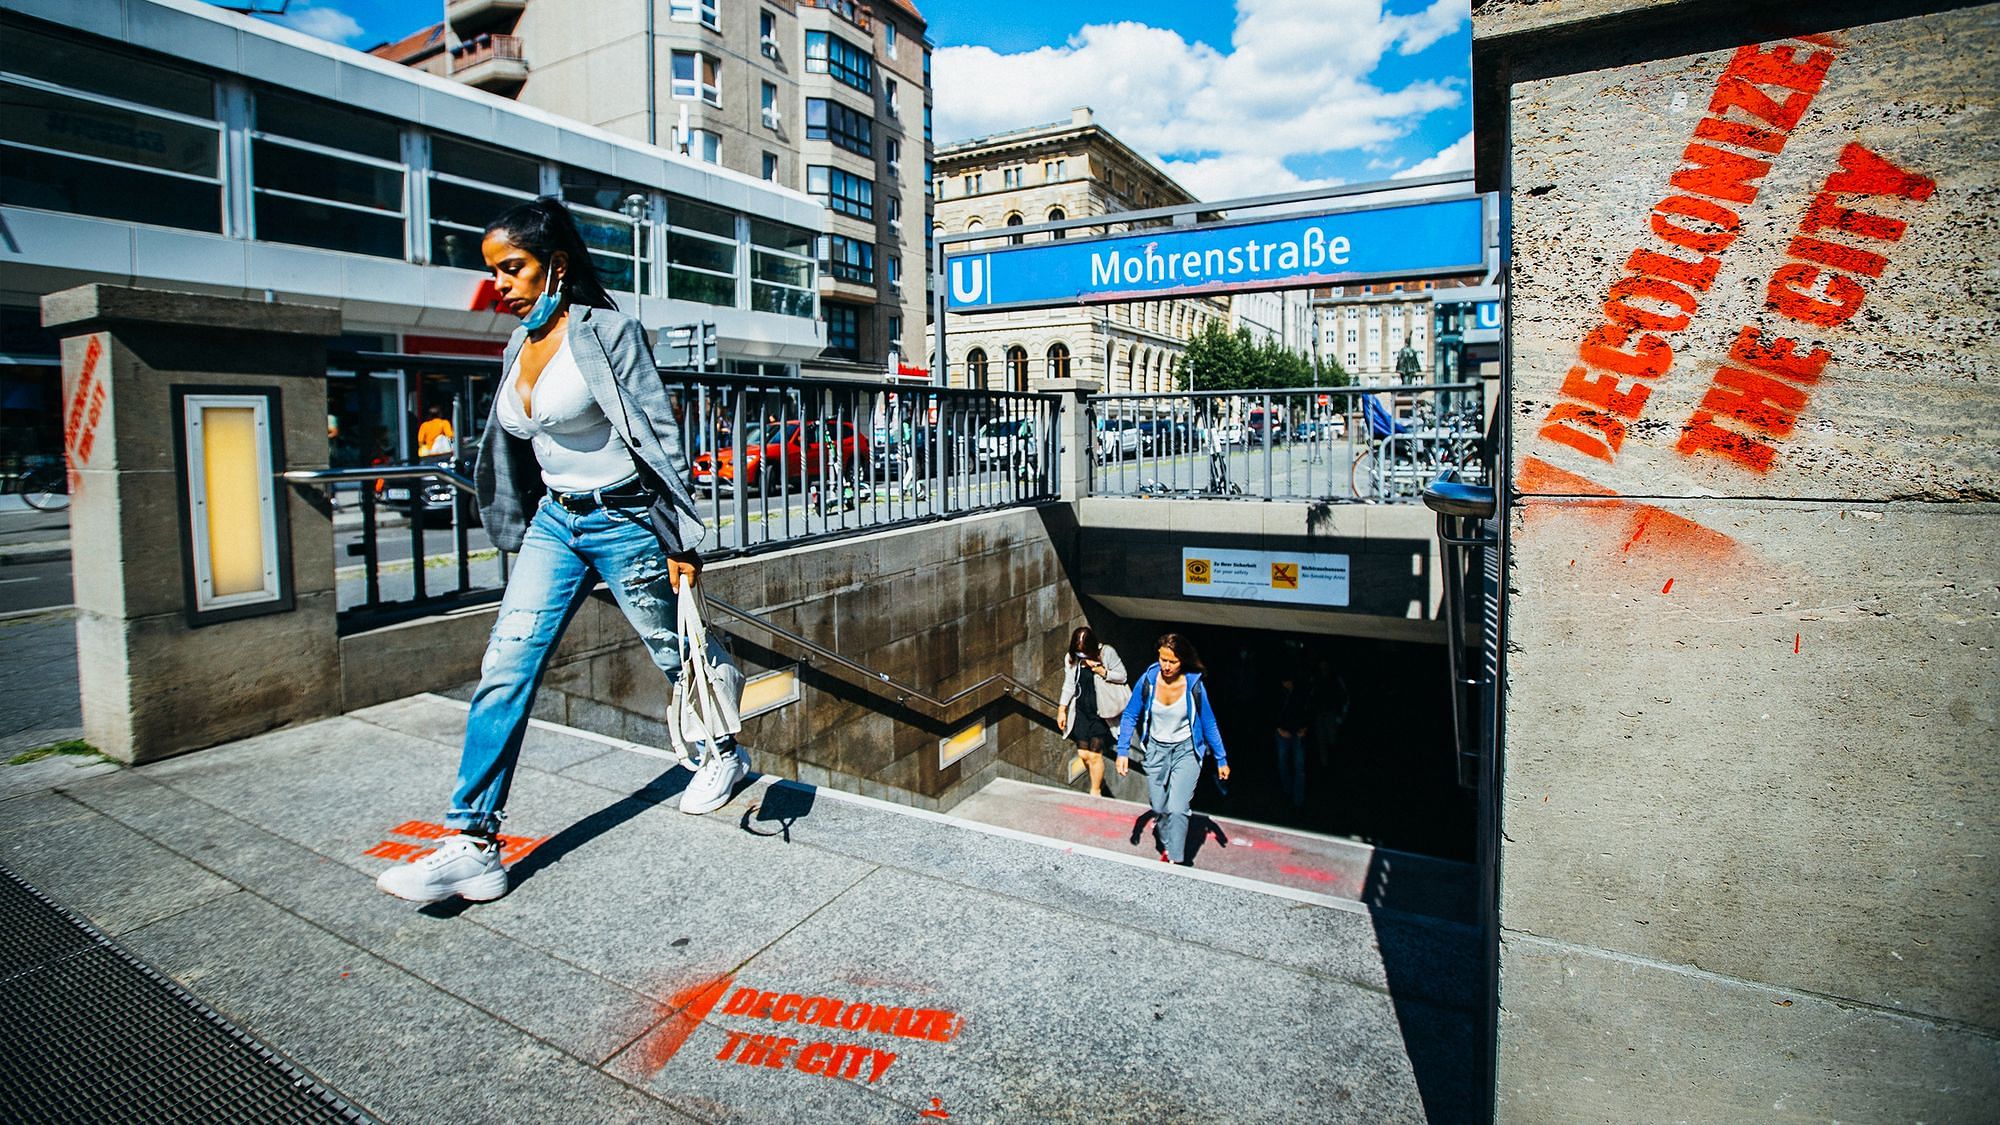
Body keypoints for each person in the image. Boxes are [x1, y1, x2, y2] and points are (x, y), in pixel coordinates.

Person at [378, 196, 746, 906]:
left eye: (513, 269)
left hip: (626, 520)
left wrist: (679, 539)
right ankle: (473, 842)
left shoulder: (609, 332)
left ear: (556, 265)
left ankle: (725, 752)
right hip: (556, 524)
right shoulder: (518, 344)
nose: (502, 286)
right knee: (505, 664)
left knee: (679, 653)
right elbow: (519, 445)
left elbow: (659, 436)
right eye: (495, 273)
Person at [1115, 633, 1229, 866]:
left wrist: (1221, 758)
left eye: (1172, 661)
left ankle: (1176, 859)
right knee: (1159, 807)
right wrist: (1122, 750)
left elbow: (1209, 722)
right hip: (1156, 750)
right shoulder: (1148, 680)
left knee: (1177, 808)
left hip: (1186, 751)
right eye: (1162, 659)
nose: (1166, 666)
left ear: (1183, 661)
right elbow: (1129, 714)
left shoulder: (1194, 686)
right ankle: (1167, 840)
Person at [1053, 626, 1128, 797]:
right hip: (1081, 711)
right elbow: (1069, 684)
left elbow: (1123, 676)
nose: (1082, 655)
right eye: (1078, 652)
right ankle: (1097, 781)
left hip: (1101, 712)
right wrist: (1062, 709)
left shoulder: (1107, 653)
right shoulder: (1071, 659)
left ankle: (1095, 792)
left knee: (1094, 755)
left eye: (1084, 652)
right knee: (1083, 754)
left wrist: (1102, 671)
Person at [1273, 673, 1311, 810]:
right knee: (1283, 764)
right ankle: (1287, 792)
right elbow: (1271, 710)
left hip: (1298, 732)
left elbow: (1308, 710)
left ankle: (1298, 800)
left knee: (1299, 767)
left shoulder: (1302, 693)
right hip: (1282, 732)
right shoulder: (1278, 693)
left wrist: (1305, 728)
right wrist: (1278, 728)